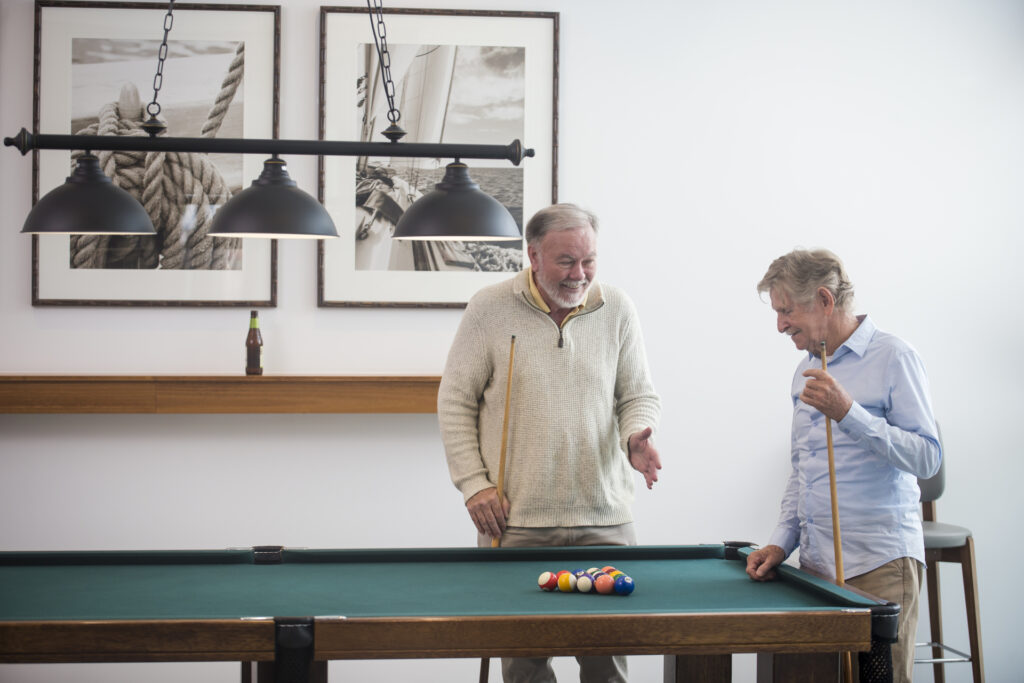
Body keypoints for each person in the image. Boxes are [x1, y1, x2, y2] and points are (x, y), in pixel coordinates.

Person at [437, 203, 662, 683]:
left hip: (605, 519)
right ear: (533, 255)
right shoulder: (489, 307)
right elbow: (455, 402)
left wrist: (634, 438)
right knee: (525, 668)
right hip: (516, 521)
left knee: (608, 668)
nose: (579, 274)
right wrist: (475, 485)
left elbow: (637, 395)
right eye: (566, 261)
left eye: (589, 261)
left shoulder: (617, 307)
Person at [746, 248, 942, 683]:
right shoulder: (804, 372)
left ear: (823, 300)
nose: (780, 324)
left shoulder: (895, 356)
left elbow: (928, 457)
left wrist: (850, 413)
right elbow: (803, 471)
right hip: (816, 570)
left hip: (879, 564)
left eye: (786, 310)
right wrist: (782, 542)